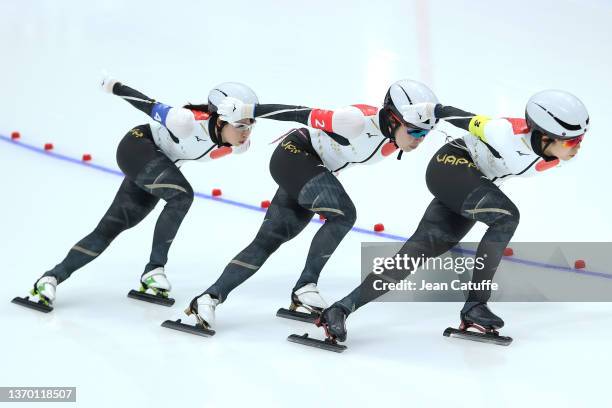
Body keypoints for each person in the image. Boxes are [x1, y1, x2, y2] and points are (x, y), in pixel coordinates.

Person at [317, 89, 590, 343]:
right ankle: (477, 303)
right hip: (451, 166)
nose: (578, 147)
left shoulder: (554, 150)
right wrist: (431, 109)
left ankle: (340, 309)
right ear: (544, 137)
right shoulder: (502, 132)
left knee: (416, 252)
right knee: (506, 217)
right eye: (573, 141)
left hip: (475, 180)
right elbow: (462, 118)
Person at [180, 79, 440, 330]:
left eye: (426, 133)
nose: (419, 139)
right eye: (415, 131)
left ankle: (209, 297)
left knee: (269, 240)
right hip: (295, 155)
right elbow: (297, 113)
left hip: (312, 169)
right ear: (394, 119)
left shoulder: (394, 135)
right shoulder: (354, 121)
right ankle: (306, 286)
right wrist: (249, 111)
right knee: (344, 214)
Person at [17, 77, 259, 311]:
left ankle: (50, 279)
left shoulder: (238, 145)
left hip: (158, 164)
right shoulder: (184, 121)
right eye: (240, 125)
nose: (246, 132)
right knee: (182, 196)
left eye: (250, 125)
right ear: (218, 120)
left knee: (110, 228)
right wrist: (115, 86)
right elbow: (147, 103)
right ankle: (155, 270)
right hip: (138, 146)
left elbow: (263, 115)